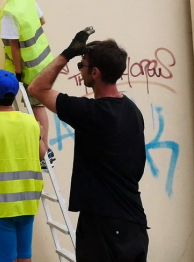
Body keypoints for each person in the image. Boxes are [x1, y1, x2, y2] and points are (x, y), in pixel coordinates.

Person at [28, 29, 149, 262]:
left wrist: (67, 54)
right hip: (134, 222)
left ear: (95, 72)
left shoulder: (92, 113)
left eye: (81, 65)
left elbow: (36, 89)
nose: (80, 70)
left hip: (103, 226)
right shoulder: (133, 111)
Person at [0, 69, 47, 262]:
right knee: (24, 257)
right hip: (27, 203)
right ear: (14, 94)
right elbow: (41, 154)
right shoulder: (31, 122)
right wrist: (42, 133)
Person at [0, 0, 55, 168]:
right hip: (44, 60)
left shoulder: (10, 12)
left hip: (29, 68)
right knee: (39, 107)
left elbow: (14, 47)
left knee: (35, 109)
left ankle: (44, 153)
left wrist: (17, 74)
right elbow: (42, 20)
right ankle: (46, 147)